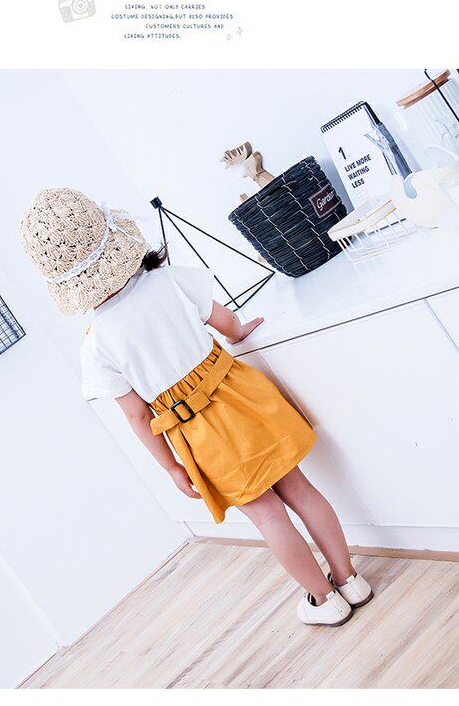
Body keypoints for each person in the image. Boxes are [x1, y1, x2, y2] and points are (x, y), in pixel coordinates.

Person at [20, 188, 373, 626]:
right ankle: (350, 580)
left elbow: (138, 416)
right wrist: (240, 331)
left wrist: (172, 467)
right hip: (242, 398)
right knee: (300, 489)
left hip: (199, 433)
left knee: (268, 516)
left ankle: (324, 599)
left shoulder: (96, 346)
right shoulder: (169, 279)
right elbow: (228, 324)